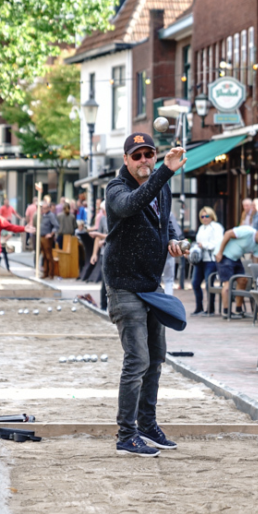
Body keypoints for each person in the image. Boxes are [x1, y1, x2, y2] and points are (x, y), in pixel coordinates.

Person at [103, 133, 187, 458]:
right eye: (136, 156)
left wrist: (175, 239)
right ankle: (126, 434)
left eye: (148, 154)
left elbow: (166, 223)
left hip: (151, 284)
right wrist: (165, 171)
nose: (143, 161)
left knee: (157, 356)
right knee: (137, 358)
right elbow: (132, 204)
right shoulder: (116, 188)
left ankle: (147, 423)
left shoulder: (161, 187)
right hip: (123, 283)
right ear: (126, 160)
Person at [214, 224, 258, 317]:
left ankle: (238, 310)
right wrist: (220, 252)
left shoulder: (256, 245)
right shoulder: (248, 231)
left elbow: (255, 260)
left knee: (243, 280)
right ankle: (226, 311)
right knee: (228, 283)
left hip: (236, 258)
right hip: (225, 255)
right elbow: (228, 234)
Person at [191, 206, 224, 315]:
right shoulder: (201, 228)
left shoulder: (216, 227)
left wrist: (203, 245)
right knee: (195, 283)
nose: (204, 218)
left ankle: (210, 308)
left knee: (209, 284)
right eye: (202, 216)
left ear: (211, 216)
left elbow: (218, 243)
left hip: (210, 260)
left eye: (207, 216)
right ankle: (199, 307)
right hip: (200, 260)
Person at [37, 197, 60, 278]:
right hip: (41, 237)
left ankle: (51, 273)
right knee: (44, 256)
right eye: (43, 208)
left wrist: (51, 234)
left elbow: (56, 225)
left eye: (45, 208)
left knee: (49, 256)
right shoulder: (43, 215)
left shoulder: (51, 215)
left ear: (49, 208)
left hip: (47, 238)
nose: (44, 209)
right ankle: (45, 273)